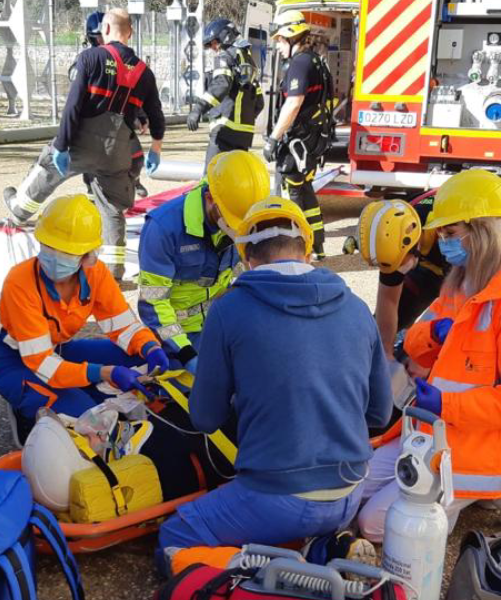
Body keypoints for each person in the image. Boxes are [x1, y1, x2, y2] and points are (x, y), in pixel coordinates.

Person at [157, 197, 392, 575]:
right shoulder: (355, 307)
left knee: (175, 538)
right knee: (289, 524)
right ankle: (328, 547)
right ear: (308, 250)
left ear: (246, 256)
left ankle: (280, 575)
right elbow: (379, 413)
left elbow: (204, 417)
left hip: (276, 495)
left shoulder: (229, 309)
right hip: (349, 493)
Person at [355, 170, 501, 541]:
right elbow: (415, 342)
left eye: (451, 235)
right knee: (353, 488)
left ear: (481, 230)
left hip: (472, 445)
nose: (444, 243)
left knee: (373, 523)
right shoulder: (463, 282)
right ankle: (491, 498)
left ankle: (488, 493)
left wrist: (447, 405)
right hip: (437, 431)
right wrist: (434, 336)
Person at [0, 194, 169, 444]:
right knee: (87, 420)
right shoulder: (19, 282)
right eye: (49, 246)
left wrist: (150, 347)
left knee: (143, 361)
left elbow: (124, 326)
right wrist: (104, 373)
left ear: (87, 255)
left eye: (65, 251)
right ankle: (27, 407)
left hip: (60, 351)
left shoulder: (95, 274)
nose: (54, 255)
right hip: (16, 362)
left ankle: (81, 388)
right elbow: (43, 364)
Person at [4, 8, 164, 280]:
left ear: (106, 30)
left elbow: (73, 106)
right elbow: (156, 115)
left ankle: (18, 211)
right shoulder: (144, 73)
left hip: (81, 143)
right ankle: (113, 270)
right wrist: (156, 148)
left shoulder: (90, 58)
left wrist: (61, 146)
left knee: (47, 171)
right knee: (112, 207)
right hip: (118, 152)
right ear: (131, 33)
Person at [137, 150, 270, 373]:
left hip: (219, 325)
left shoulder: (245, 218)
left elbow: (252, 278)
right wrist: (186, 354)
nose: (238, 232)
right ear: (210, 199)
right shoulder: (163, 229)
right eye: (233, 221)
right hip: (176, 337)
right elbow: (154, 304)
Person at [263, 10, 334, 260]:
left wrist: (273, 138)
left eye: (280, 40)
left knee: (292, 194)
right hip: (311, 140)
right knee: (305, 189)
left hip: (298, 142)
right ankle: (317, 245)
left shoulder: (300, 64)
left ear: (291, 36)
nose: (279, 46)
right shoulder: (315, 61)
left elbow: (293, 104)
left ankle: (298, 249)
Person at [68, 11, 150, 201]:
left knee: (136, 159)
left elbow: (133, 91)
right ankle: (94, 195)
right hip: (91, 127)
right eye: (98, 38)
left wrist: (142, 115)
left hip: (120, 125)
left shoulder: (124, 61)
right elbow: (75, 95)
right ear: (92, 38)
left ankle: (130, 182)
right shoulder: (87, 60)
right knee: (92, 166)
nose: (103, 41)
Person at [187, 18, 265, 166]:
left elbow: (221, 85)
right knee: (234, 183)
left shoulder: (224, 57)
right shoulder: (250, 61)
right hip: (244, 137)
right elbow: (259, 103)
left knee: (211, 181)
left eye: (214, 42)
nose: (213, 48)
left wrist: (198, 109)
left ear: (224, 37)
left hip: (224, 132)